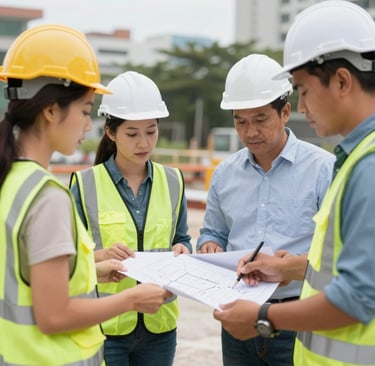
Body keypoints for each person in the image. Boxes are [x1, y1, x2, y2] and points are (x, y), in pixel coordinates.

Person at [214, 1, 375, 365]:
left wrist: (262, 318)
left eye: (303, 89)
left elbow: (359, 296)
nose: (301, 107)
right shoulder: (355, 159)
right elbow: (341, 269)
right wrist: (286, 268)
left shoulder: (368, 166)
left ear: (342, 81)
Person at [0, 24, 172, 366]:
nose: (88, 125)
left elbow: (23, 279)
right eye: (84, 109)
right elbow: (54, 316)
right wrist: (132, 299)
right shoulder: (46, 197)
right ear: (51, 110)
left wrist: (92, 270)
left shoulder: (10, 181)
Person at [196, 53, 335, 365]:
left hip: (297, 318)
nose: (250, 132)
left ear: (285, 112)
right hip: (237, 316)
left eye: (260, 119)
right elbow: (214, 231)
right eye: (240, 122)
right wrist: (210, 245)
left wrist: (289, 266)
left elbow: (335, 252)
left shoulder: (324, 170)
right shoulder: (225, 173)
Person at [70, 70, 192, 366]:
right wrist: (100, 255)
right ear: (111, 132)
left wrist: (183, 250)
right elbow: (69, 259)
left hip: (160, 324)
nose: (144, 143)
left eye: (151, 131)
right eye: (132, 133)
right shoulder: (84, 184)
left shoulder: (174, 180)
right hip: (106, 325)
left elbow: (181, 237)